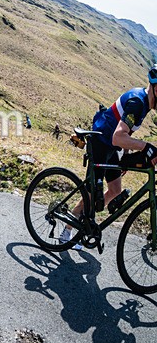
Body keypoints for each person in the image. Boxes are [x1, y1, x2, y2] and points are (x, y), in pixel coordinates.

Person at [60, 66, 157, 249]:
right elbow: (118, 136)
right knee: (90, 193)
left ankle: (88, 219)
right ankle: (68, 230)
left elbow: (124, 133)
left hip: (111, 146)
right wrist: (145, 147)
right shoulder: (138, 103)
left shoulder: (144, 104)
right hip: (100, 142)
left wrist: (125, 154)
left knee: (115, 190)